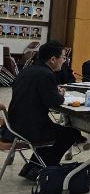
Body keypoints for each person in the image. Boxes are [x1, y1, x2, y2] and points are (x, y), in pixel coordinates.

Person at [6, 41, 85, 179]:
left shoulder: (27, 70)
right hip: (30, 128)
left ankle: (32, 167)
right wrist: (60, 94)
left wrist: (53, 91)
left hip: (13, 125)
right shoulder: (46, 74)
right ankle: (44, 170)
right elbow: (54, 102)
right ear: (53, 59)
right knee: (71, 133)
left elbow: (36, 93)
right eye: (63, 57)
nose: (64, 61)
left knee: (58, 131)